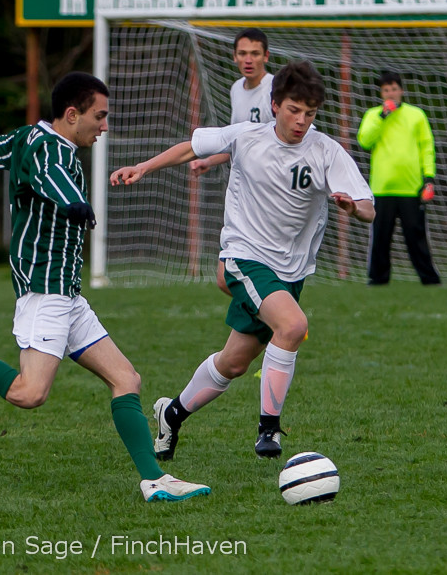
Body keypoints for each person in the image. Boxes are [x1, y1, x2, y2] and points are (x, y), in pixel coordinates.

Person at [0, 72, 210, 503]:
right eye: (99, 116)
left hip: (66, 293)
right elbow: (54, 179)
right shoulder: (51, 148)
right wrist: (75, 203)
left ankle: (154, 480)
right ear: (72, 115)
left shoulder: (33, 137)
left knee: (126, 377)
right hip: (44, 288)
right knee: (30, 393)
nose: (105, 126)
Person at [110, 61, 375, 460]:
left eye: (310, 113)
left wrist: (352, 208)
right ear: (274, 105)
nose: (301, 121)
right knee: (293, 325)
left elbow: (368, 207)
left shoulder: (325, 151)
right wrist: (144, 167)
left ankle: (172, 414)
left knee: (232, 364)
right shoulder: (246, 137)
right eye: (294, 110)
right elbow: (192, 146)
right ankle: (269, 430)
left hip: (291, 271)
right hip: (245, 255)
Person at [189, 28, 275, 296]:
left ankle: (280, 319)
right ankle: (277, 319)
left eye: (255, 53)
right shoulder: (236, 89)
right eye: (242, 53)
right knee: (228, 277)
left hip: (271, 190)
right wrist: (210, 161)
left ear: (266, 56)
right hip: (245, 191)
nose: (248, 59)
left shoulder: (275, 89)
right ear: (234, 56)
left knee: (231, 274)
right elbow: (239, 140)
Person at [356, 71, 441, 285]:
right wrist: (383, 117)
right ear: (381, 93)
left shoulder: (416, 115)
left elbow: (427, 147)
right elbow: (365, 140)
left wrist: (429, 179)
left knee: (416, 237)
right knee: (381, 238)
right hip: (382, 188)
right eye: (386, 90)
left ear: (401, 90)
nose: (391, 93)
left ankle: (430, 280)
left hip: (411, 188)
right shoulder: (373, 115)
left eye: (394, 89)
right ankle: (377, 280)